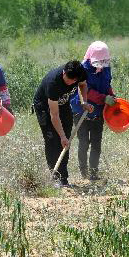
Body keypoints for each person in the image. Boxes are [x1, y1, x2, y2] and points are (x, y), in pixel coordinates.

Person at [33, 60, 92, 188]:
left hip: (63, 103)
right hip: (45, 107)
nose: (70, 83)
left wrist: (84, 102)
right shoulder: (53, 83)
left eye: (73, 81)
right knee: (53, 140)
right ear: (64, 72)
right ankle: (54, 177)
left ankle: (63, 179)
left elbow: (82, 85)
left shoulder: (80, 73)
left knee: (66, 142)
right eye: (68, 80)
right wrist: (62, 136)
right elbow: (54, 115)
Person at [70, 41, 116, 181]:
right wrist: (104, 98)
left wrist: (111, 95)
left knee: (96, 143)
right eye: (98, 61)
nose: (101, 64)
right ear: (91, 57)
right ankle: (84, 172)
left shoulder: (106, 69)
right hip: (81, 109)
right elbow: (86, 91)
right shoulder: (82, 69)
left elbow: (107, 85)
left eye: (104, 61)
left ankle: (94, 173)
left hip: (98, 112)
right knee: (84, 143)